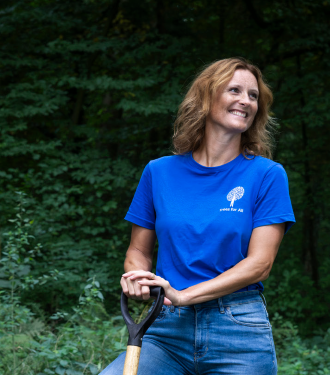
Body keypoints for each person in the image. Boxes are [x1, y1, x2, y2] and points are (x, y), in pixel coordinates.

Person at [99, 57, 295, 375]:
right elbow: (138, 251)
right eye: (235, 90)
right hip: (166, 330)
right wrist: (137, 277)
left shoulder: (267, 175)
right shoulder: (159, 172)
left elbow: (260, 264)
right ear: (206, 97)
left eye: (253, 96)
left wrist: (183, 296)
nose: (246, 101)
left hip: (237, 330)